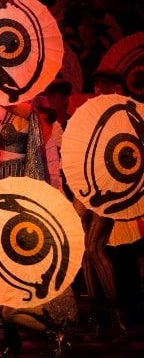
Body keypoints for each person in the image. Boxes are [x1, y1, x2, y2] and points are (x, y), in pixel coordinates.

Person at [0, 95, 78, 358]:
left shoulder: (25, 109)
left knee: (20, 258)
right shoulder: (6, 112)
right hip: (3, 182)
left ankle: (49, 325)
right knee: (1, 265)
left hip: (18, 183)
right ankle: (10, 339)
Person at [72, 69, 128, 342]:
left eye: (102, 89)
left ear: (116, 88)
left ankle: (114, 313)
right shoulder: (92, 113)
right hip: (86, 185)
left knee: (95, 248)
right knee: (85, 250)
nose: (97, 94)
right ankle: (99, 317)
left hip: (109, 188)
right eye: (95, 89)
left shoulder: (127, 116)